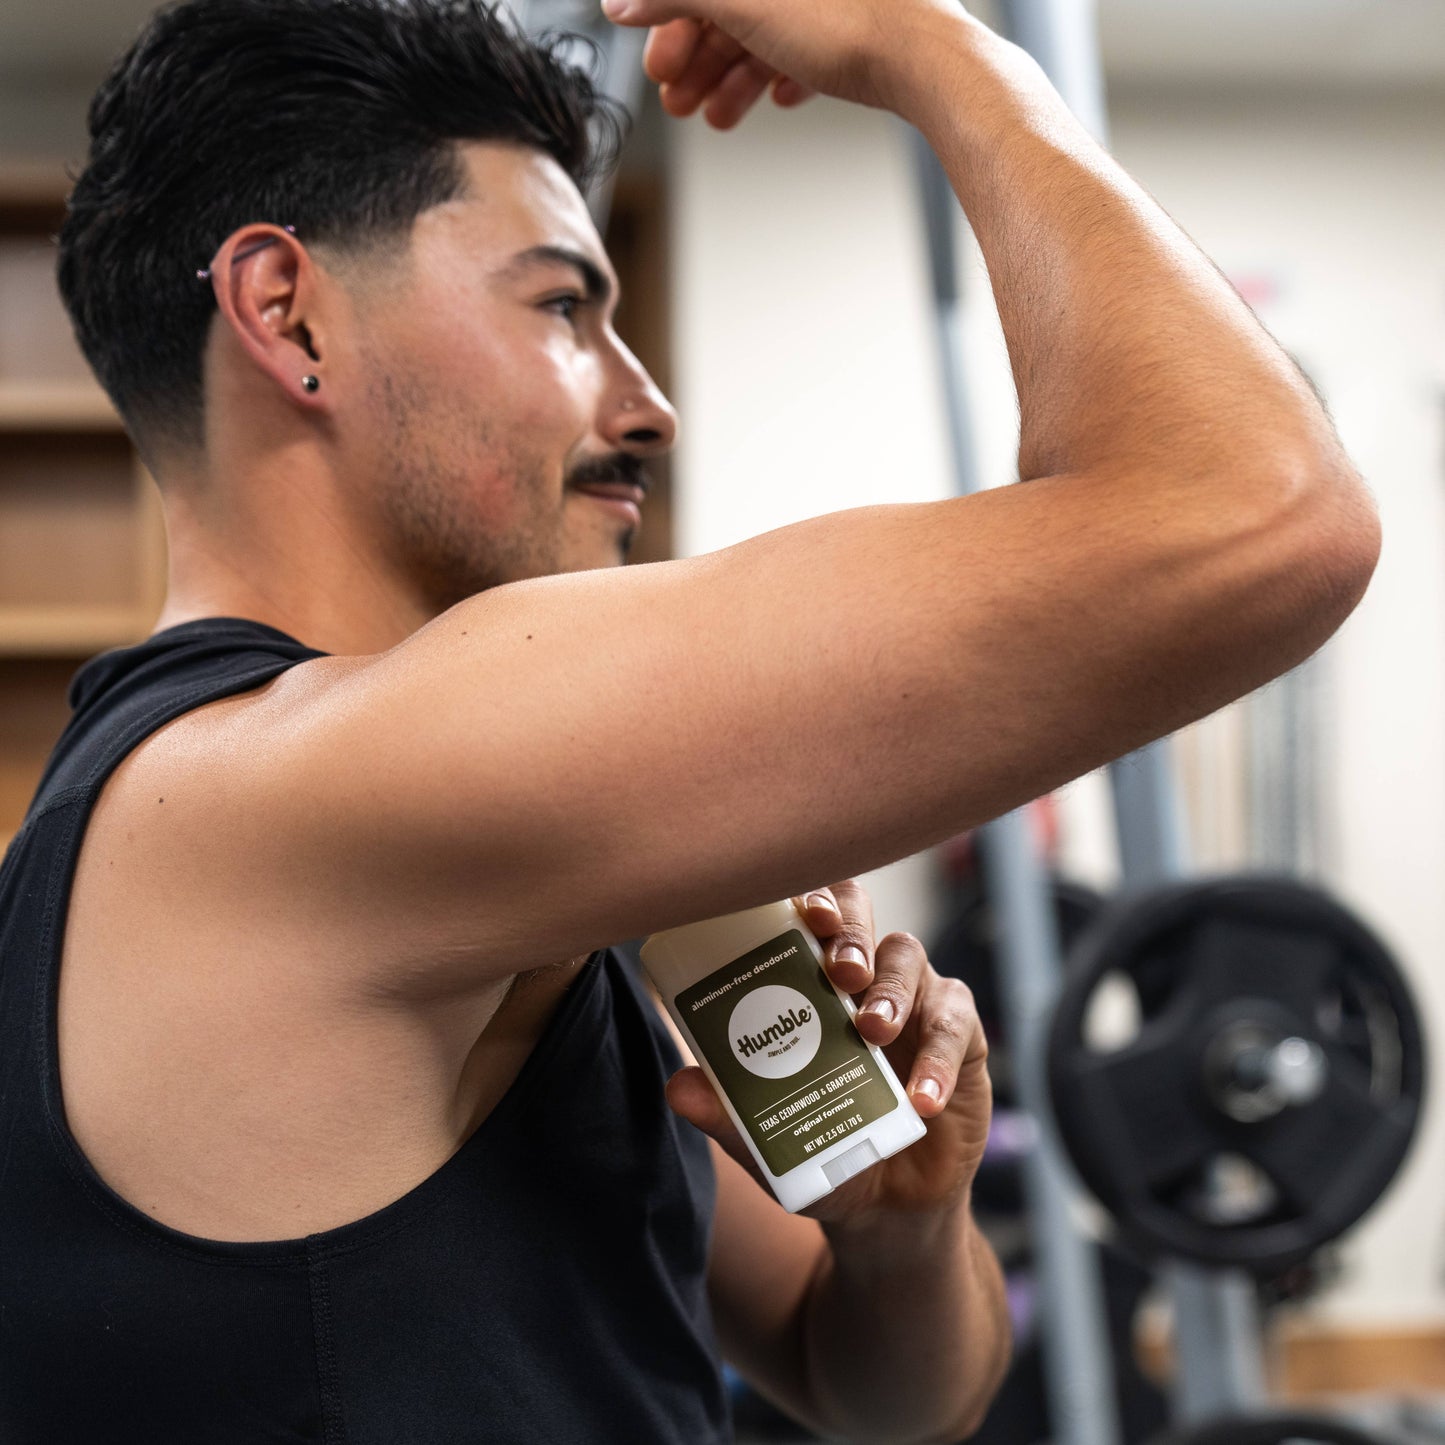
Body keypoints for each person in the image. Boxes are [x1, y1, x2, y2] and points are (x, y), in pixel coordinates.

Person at [0, 0, 1375, 1437]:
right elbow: (1261, 511)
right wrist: (936, 50)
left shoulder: (455, 850)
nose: (648, 403)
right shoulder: (313, 791)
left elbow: (883, 1391)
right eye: (559, 307)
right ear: (288, 314)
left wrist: (895, 1230)